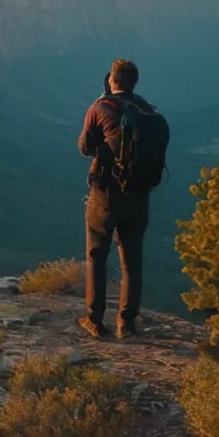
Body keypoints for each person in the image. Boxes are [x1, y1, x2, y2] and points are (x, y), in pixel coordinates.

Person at [76, 59, 163, 340]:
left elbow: (84, 147)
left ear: (112, 80)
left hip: (106, 195)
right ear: (134, 83)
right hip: (139, 197)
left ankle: (95, 320)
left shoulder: (101, 107)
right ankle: (126, 322)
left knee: (97, 255)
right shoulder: (148, 111)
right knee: (132, 260)